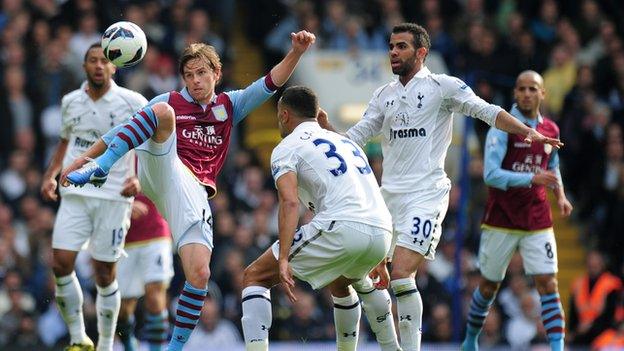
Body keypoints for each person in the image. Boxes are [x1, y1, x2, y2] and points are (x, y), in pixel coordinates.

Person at [61, 31, 316, 350]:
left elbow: (269, 83)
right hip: (161, 168)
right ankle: (103, 166)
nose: (195, 81)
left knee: (199, 274)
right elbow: (116, 132)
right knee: (161, 114)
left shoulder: (229, 105)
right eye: (189, 75)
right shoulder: (171, 100)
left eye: (201, 73)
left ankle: (174, 348)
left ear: (216, 74)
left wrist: (297, 52)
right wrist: (85, 159)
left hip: (192, 195)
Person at [317, 23, 563, 351]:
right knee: (358, 277)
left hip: (426, 194)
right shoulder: (383, 95)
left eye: (401, 46)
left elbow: (487, 111)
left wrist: (527, 132)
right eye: (391, 46)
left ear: (421, 52)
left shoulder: (442, 87)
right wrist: (328, 131)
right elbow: (355, 139)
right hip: (387, 197)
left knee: (403, 273)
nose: (393, 52)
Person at [240, 86, 395, 351]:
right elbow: (367, 190)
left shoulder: (287, 147)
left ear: (285, 115)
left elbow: (289, 202)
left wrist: (284, 258)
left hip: (344, 227)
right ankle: (391, 346)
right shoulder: (347, 142)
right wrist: (382, 255)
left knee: (255, 276)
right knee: (341, 281)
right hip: (381, 229)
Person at [40, 43, 147, 351]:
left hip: (113, 197)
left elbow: (147, 146)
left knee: (104, 273)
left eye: (104, 61)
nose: (99, 65)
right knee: (60, 263)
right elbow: (65, 142)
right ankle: (78, 338)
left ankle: (104, 344)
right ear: (85, 66)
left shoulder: (133, 102)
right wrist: (50, 174)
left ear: (114, 65)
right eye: (92, 61)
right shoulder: (70, 102)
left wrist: (136, 177)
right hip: (74, 191)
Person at [460, 70, 573, 351]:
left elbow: (552, 165)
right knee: (489, 286)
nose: (526, 93)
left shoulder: (551, 130)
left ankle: (557, 348)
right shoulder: (503, 128)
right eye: (521, 88)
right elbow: (491, 175)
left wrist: (560, 195)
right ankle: (471, 340)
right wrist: (533, 179)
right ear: (515, 93)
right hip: (501, 219)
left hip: (537, 218)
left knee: (548, 282)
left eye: (532, 89)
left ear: (542, 94)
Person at [115, 193, 173, 351]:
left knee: (155, 296)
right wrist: (123, 204)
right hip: (122, 237)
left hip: (156, 232)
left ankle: (157, 349)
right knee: (122, 309)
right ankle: (129, 345)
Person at [568, 250, 622, 346]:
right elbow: (572, 314)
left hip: (603, 332)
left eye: (596, 263)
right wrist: (575, 330)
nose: (593, 266)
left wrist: (591, 326)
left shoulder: (611, 283)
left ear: (602, 264)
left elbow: (610, 314)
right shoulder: (578, 284)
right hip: (581, 334)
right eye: (591, 263)